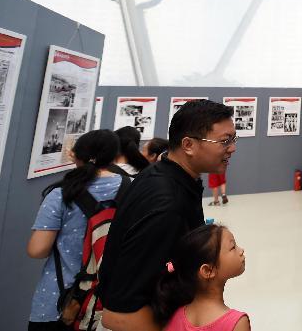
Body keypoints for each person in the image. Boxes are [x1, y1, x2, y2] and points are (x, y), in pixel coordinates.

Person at [99, 100, 238, 331]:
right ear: (188, 145)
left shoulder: (167, 175)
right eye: (225, 141)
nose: (232, 148)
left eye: (233, 139)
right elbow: (118, 316)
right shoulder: (167, 206)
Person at [27, 129, 124, 330]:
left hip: (62, 300)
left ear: (76, 156)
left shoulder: (61, 194)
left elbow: (37, 250)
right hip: (111, 301)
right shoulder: (131, 187)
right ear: (115, 157)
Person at [152, 224, 249, 331]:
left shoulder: (174, 318)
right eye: (233, 247)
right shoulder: (236, 324)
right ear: (207, 271)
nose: (241, 250)